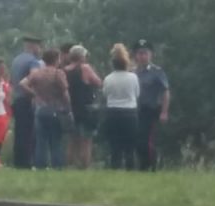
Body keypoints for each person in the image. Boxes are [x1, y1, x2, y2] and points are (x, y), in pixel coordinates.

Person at [21, 48, 71, 170]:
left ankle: (40, 165)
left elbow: (22, 84)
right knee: (56, 139)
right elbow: (65, 92)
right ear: (56, 59)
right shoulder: (58, 73)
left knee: (41, 140)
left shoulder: (37, 73)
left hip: (40, 109)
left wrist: (34, 94)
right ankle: (57, 165)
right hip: (55, 108)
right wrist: (68, 107)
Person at [133, 39, 171, 171]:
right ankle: (141, 166)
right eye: (139, 53)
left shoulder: (157, 72)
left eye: (145, 53)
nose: (142, 56)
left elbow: (165, 92)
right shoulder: (132, 72)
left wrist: (164, 112)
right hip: (135, 111)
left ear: (150, 55)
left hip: (151, 110)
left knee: (147, 141)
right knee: (137, 140)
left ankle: (151, 167)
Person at [64, 45, 102, 169]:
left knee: (72, 140)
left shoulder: (64, 70)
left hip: (70, 109)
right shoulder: (85, 68)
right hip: (85, 109)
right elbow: (98, 82)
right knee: (86, 140)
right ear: (82, 57)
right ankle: (85, 166)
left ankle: (70, 165)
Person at [104, 43, 140, 171]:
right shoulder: (133, 77)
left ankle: (115, 168)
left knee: (115, 144)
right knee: (130, 145)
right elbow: (137, 94)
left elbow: (106, 94)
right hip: (130, 112)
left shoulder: (108, 78)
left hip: (113, 112)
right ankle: (130, 168)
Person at [9, 36, 43, 168]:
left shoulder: (16, 60)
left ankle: (18, 162)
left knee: (19, 133)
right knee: (29, 133)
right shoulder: (33, 61)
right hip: (28, 99)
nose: (40, 49)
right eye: (38, 46)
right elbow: (35, 76)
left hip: (17, 100)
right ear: (33, 46)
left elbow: (12, 80)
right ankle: (27, 163)